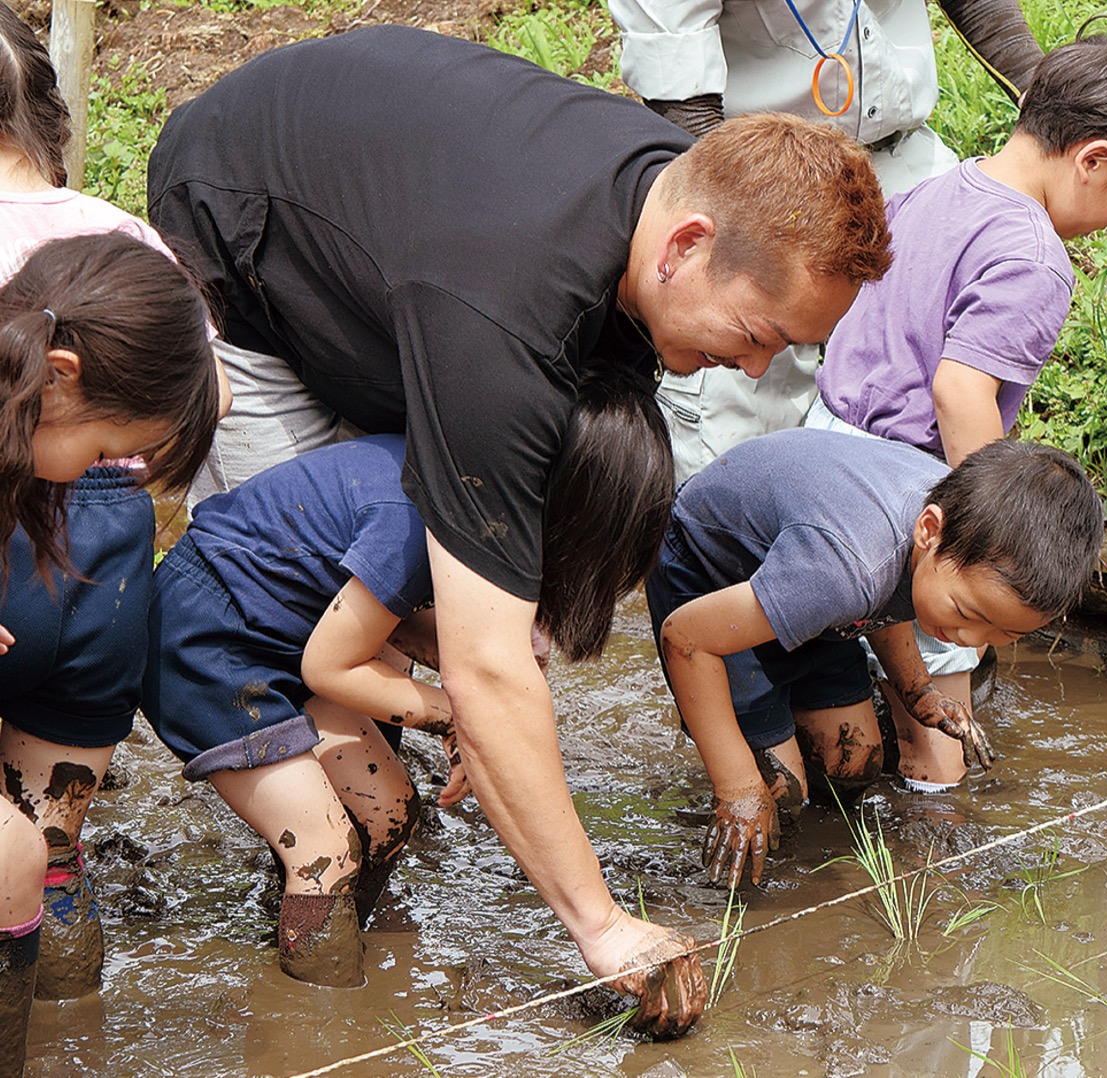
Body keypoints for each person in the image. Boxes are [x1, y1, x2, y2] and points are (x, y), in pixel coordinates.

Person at [146, 26, 891, 1033]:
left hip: (400, 235)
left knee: (404, 594)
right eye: (757, 335)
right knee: (312, 615)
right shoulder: (501, 326)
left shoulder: (662, 210)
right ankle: (310, 927)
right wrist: (601, 925)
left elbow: (500, 585)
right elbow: (485, 664)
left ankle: (356, 852)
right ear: (685, 246)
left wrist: (478, 680)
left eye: (785, 351)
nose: (756, 370)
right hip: (246, 230)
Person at [142, 368, 673, 988]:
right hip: (209, 641)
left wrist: (474, 680)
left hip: (282, 639)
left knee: (390, 814)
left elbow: (383, 625)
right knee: (326, 852)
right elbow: (331, 667)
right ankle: (320, 1010)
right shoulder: (417, 516)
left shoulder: (469, 498)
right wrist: (455, 714)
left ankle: (315, 939)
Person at [805, 24, 1107, 788]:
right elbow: (959, 391)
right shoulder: (1034, 258)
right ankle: (933, 831)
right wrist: (993, 539)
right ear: (1094, 161)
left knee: (833, 671)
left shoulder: (929, 190)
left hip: (822, 447)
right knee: (940, 733)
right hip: (913, 483)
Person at [0, 6, 223, 1067]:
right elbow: (205, 391)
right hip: (114, 558)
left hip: (31, 551)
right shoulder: (116, 235)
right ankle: (65, 1020)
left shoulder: (35, 390)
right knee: (47, 848)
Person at [608, 0, 1046, 482]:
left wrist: (1049, 99)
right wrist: (761, 239)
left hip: (898, 156)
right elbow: (682, 101)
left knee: (915, 422)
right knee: (730, 455)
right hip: (760, 199)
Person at [645, 430, 1104, 888]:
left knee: (854, 762)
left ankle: (781, 744)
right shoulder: (847, 568)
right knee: (779, 795)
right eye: (967, 614)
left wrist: (918, 690)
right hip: (711, 579)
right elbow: (686, 638)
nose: (970, 640)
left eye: (1006, 634)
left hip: (804, 585)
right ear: (929, 531)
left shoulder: (940, 535)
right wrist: (737, 787)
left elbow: (889, 593)